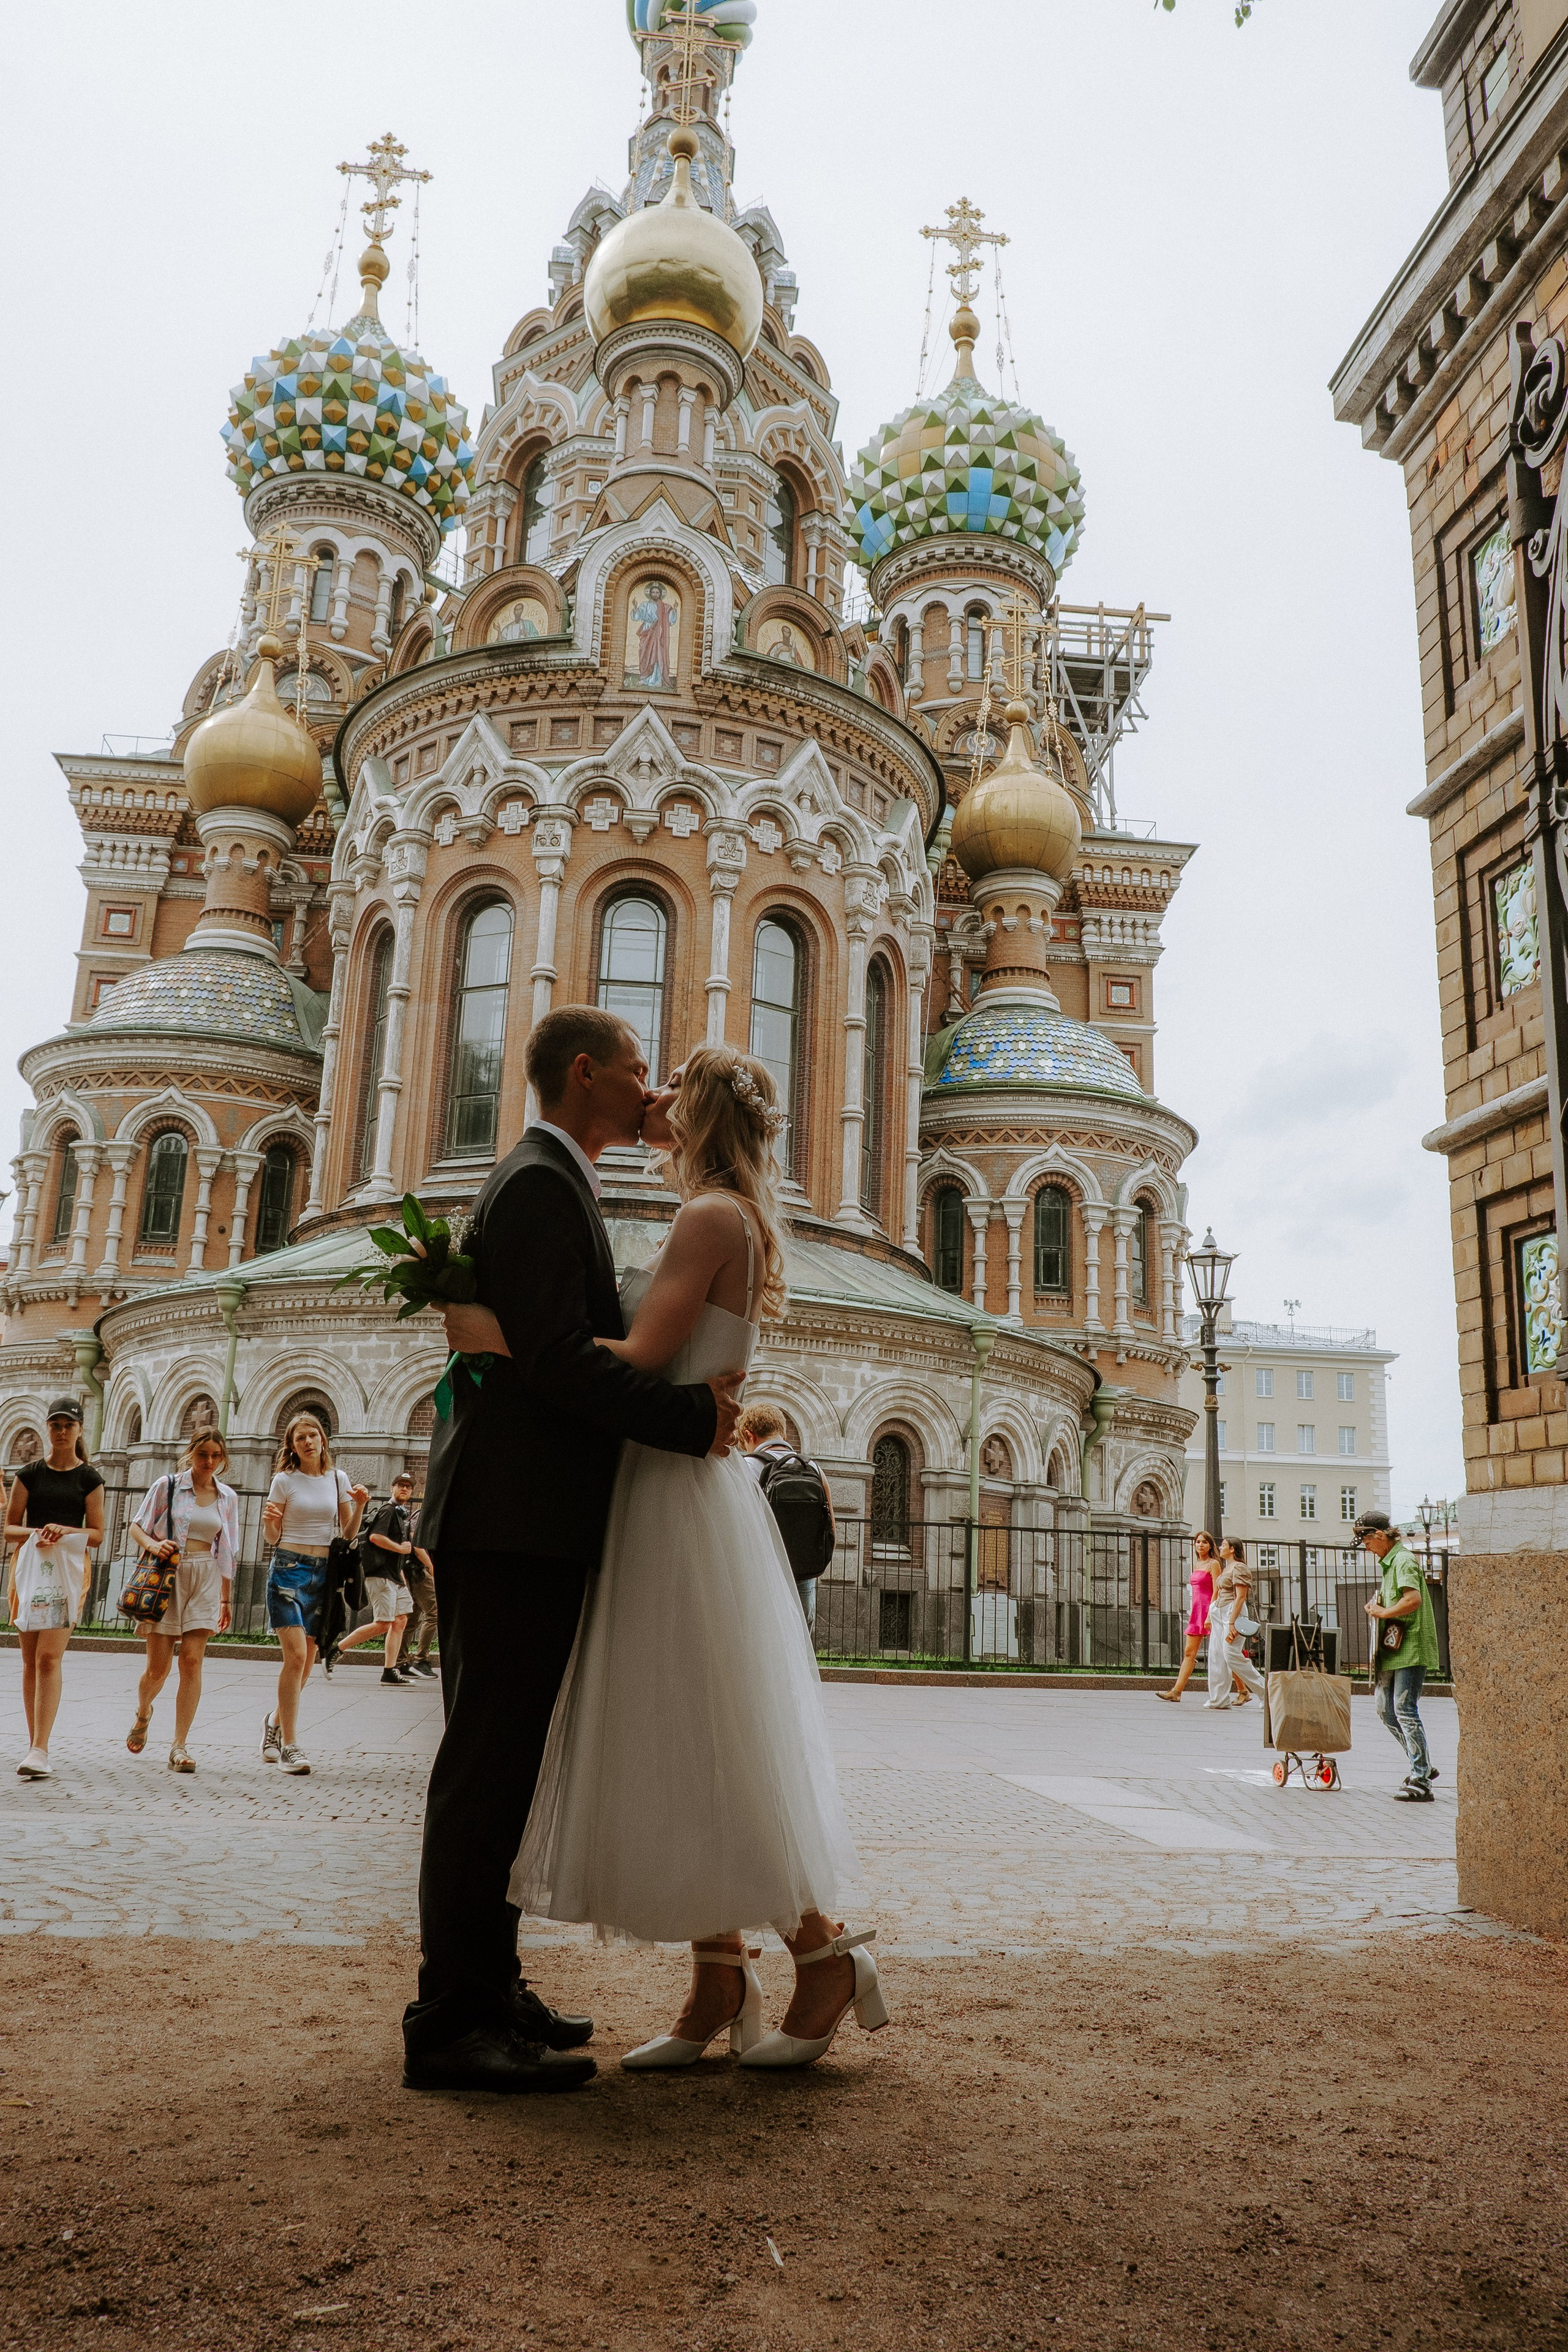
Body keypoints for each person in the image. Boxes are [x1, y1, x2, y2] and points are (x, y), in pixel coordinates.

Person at [505, 1046, 883, 2075]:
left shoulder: (710, 1217)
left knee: (708, 1733)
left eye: (670, 1085)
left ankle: (823, 1954)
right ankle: (718, 1980)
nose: (653, 1096)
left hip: (673, 1491)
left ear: (700, 1112)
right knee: (679, 1733)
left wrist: (499, 1331)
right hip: (667, 1485)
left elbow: (635, 1361)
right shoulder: (728, 1215)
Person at [404, 1005, 746, 2097]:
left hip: (522, 1517)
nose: (651, 1090)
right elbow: (555, 1360)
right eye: (637, 1071)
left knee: (501, 1766)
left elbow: (536, 1344)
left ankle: (486, 1987)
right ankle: (455, 2022)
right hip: (513, 1521)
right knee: (484, 1771)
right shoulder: (543, 1184)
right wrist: (694, 1422)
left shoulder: (552, 1177)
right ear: (586, 1073)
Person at [124, 1427, 239, 1772]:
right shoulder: (168, 1486)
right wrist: (153, 1545)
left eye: (216, 1456)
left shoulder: (227, 1498)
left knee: (192, 1661)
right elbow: (136, 1526)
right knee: (158, 1668)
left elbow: (227, 1552)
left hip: (205, 1576)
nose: (209, 1462)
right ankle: (144, 1711)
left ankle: (179, 1745)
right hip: (167, 1574)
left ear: (223, 1459)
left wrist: (226, 1599)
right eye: (203, 1454)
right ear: (191, 1453)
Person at [260, 1414, 369, 1776]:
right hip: (288, 1570)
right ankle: (290, 1745)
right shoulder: (283, 1480)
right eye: (300, 1438)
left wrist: (361, 1506)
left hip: (323, 1575)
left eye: (314, 1435)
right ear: (292, 1446)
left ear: (323, 1440)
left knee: (306, 1663)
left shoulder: (338, 1479)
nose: (308, 1442)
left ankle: (274, 1721)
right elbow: (272, 1540)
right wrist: (270, 1522)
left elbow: (349, 1534)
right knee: (295, 1657)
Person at [2, 1398, 105, 1781]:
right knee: (30, 1660)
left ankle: (41, 1747)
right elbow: (10, 1528)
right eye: (56, 1424)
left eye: (69, 1425)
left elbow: (96, 1534)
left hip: (68, 1569)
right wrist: (38, 1533)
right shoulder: (29, 1474)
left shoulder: (89, 1478)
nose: (62, 1431)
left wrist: (65, 1531)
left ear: (79, 1430)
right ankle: (34, 1744)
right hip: (30, 1568)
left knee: (49, 1658)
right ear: (47, 1428)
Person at [1355, 1510, 1441, 1801]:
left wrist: (1384, 1612)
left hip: (1411, 1646)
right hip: (1394, 1648)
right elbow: (1398, 1599)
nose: (1366, 1547)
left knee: (1405, 1710)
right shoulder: (1390, 1563)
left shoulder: (1402, 1560)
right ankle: (1424, 1765)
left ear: (1379, 1536)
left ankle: (1421, 1779)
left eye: (1366, 1541)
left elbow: (1413, 1599)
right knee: (1385, 1709)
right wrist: (1379, 1605)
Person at [739, 1402, 836, 1631]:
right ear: (782, 1433)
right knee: (800, 1639)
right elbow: (830, 1527)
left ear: (748, 1435)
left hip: (761, 1572)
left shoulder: (745, 1467)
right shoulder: (812, 1467)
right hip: (803, 1573)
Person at [335, 1472, 417, 1684]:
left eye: (408, 1487)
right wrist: (400, 1548)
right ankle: (336, 1649)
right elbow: (375, 1537)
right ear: (392, 1488)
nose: (404, 1489)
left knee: (400, 1620)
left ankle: (389, 1670)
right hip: (381, 1576)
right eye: (400, 1485)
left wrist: (403, 1580)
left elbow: (394, 1555)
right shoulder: (388, 1511)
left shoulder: (401, 1515)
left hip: (394, 1577)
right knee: (383, 1623)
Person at [1204, 1536, 1265, 1712]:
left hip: (1233, 1612)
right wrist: (1214, 1609)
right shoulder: (1226, 1568)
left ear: (1232, 1549)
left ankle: (1265, 1691)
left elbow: (1241, 1597)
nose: (1220, 1548)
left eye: (1224, 1545)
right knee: (1217, 1656)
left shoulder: (1239, 1568)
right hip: (1220, 1611)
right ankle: (1219, 1699)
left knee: (1230, 1654)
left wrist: (1233, 1622)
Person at [1157, 1528, 1216, 1702]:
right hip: (1197, 1610)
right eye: (1198, 1542)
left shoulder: (1214, 1564)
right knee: (1189, 1653)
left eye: (1204, 1542)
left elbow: (1217, 1589)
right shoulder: (1198, 1564)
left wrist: (1210, 1615)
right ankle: (1177, 1692)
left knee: (1225, 1653)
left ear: (1210, 1545)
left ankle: (1243, 1690)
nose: (1200, 1545)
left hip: (1209, 1611)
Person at [400, 1496, 438, 1679]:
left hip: (416, 1571)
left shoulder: (423, 1514)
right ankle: (421, 1660)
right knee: (434, 1613)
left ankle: (400, 1661)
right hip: (419, 1572)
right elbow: (417, 1544)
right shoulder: (423, 1515)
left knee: (413, 1617)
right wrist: (431, 1566)